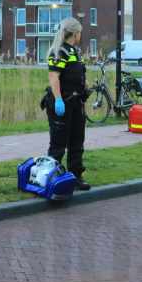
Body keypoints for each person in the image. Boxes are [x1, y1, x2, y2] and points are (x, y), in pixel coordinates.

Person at [47, 17, 90, 191]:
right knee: (58, 143)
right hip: (62, 102)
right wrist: (58, 99)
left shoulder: (74, 52)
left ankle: (75, 176)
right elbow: (53, 76)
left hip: (75, 102)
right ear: (76, 33)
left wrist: (82, 83)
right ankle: (53, 179)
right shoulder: (59, 51)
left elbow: (71, 73)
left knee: (77, 141)